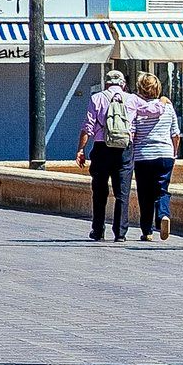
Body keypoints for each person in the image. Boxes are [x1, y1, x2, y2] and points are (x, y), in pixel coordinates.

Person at [76, 70, 139, 242]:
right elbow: (150, 112)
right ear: (123, 84)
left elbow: (87, 126)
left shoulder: (97, 98)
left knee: (99, 190)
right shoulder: (132, 99)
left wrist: (81, 150)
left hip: (101, 148)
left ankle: (98, 230)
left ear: (107, 83)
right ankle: (120, 233)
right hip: (124, 149)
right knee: (122, 192)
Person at [131, 73, 180, 242]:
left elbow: (133, 133)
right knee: (162, 190)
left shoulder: (137, 109)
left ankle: (147, 231)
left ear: (140, 89)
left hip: (143, 155)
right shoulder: (168, 107)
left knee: (144, 194)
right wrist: (174, 153)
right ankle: (163, 215)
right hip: (165, 154)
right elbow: (176, 134)